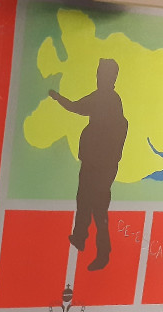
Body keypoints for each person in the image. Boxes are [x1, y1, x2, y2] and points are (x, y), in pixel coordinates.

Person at [48, 57, 127, 271]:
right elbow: (77, 107)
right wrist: (58, 98)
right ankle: (80, 236)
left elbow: (79, 109)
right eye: (99, 73)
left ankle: (103, 252)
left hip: (101, 166)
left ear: (111, 78)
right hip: (92, 163)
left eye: (103, 74)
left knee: (98, 209)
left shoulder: (110, 100)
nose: (99, 77)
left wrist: (107, 164)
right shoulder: (101, 97)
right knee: (83, 199)